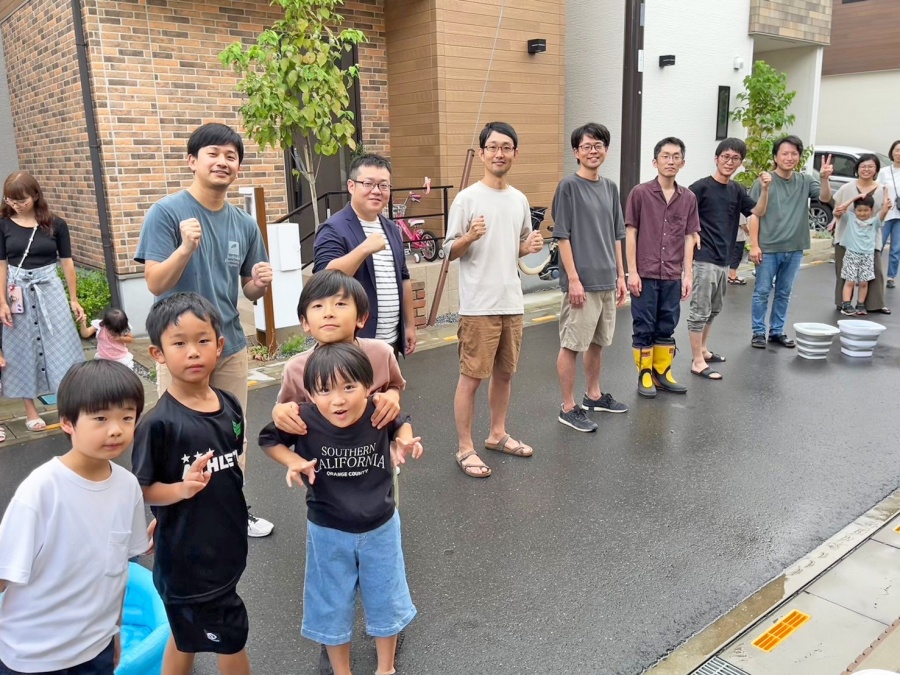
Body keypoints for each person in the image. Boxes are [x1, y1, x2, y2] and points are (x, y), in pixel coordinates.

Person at [134, 122, 275, 538]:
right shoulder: (167, 213)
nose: (222, 162)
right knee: (176, 434)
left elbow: (248, 289)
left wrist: (260, 284)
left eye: (231, 156)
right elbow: (155, 282)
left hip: (228, 346)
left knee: (232, 435)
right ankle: (172, 514)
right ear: (192, 161)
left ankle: (234, 509)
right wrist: (185, 249)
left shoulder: (244, 224)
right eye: (213, 153)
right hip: (179, 348)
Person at [271, 269, 405, 675]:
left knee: (382, 558)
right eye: (318, 306)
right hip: (328, 484)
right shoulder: (297, 367)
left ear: (361, 316)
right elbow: (286, 412)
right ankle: (333, 638)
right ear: (304, 321)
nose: (329, 313)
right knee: (333, 570)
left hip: (376, 471)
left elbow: (396, 387)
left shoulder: (379, 353)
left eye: (340, 304)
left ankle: (387, 625)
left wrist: (393, 399)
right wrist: (280, 414)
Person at [258, 343, 422, 675]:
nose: (338, 400)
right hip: (327, 529)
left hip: (381, 527)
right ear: (310, 394)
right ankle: (341, 671)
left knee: (386, 600)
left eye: (349, 387)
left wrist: (404, 439)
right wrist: (294, 460)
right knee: (331, 606)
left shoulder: (377, 410)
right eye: (325, 390)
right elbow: (269, 439)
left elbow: (401, 422)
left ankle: (386, 668)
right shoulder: (304, 418)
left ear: (368, 386)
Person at [0, 359, 150, 674]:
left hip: (95, 650)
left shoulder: (127, 488)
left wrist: (114, 630)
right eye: (100, 418)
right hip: (32, 656)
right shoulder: (42, 491)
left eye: (127, 417)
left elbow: (119, 569)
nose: (115, 429)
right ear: (67, 422)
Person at [131, 293, 252, 675]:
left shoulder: (229, 405)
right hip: (189, 561)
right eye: (179, 343)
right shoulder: (158, 424)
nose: (193, 352)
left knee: (186, 635)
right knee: (230, 637)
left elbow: (230, 467)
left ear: (219, 345)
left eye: (202, 340)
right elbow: (142, 488)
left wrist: (172, 505)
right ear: (158, 354)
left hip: (225, 546)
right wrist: (177, 493)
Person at [443, 121, 544, 478]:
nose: (499, 153)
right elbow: (448, 251)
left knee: (504, 374)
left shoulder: (519, 199)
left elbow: (517, 246)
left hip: (511, 302)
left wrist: (528, 246)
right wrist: (469, 236)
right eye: (493, 147)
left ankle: (497, 434)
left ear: (515, 153)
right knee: (471, 377)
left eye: (506, 147)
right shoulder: (467, 198)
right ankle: (465, 448)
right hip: (479, 306)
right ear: (483, 153)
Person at [552, 122, 628, 433]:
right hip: (581, 283)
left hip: (607, 280)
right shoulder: (569, 186)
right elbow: (562, 235)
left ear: (606, 150)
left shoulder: (610, 187)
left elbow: (617, 234)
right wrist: (573, 279)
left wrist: (621, 276)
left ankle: (593, 396)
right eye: (586, 146)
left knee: (598, 343)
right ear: (576, 152)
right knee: (572, 344)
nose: (593, 151)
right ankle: (568, 407)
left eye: (598, 145)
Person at [0, 171, 85, 430]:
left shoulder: (56, 224)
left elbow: (67, 262)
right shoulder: (3, 225)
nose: (16, 205)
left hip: (50, 290)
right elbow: (1, 265)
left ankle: (67, 409)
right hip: (17, 292)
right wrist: (2, 302)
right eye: (11, 200)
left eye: (22, 200)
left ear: (35, 195)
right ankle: (30, 412)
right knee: (21, 350)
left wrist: (73, 299)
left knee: (63, 345)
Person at [314, 154, 417, 357]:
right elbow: (323, 280)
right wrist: (364, 249)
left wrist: (409, 325)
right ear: (351, 186)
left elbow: (404, 278)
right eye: (368, 183)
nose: (376, 191)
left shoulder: (391, 228)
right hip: (351, 344)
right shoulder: (333, 228)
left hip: (391, 341)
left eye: (383, 185)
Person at [687, 138, 770, 380]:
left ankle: (704, 349)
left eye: (735, 158)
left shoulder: (737, 190)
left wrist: (765, 190)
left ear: (740, 163)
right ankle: (697, 361)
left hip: (724, 259)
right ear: (716, 158)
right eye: (725, 157)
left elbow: (758, 211)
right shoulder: (700, 188)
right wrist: (691, 238)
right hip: (703, 258)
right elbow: (682, 216)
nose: (729, 162)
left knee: (713, 309)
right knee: (699, 311)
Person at [625, 137, 700, 398]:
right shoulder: (640, 193)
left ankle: (662, 372)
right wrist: (632, 272)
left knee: (667, 324)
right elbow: (631, 232)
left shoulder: (688, 198)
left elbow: (689, 237)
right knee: (643, 324)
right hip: (645, 273)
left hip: (671, 274)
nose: (670, 161)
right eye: (665, 156)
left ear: (682, 163)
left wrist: (687, 275)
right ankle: (645, 374)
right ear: (655, 162)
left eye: (676, 156)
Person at [749, 136, 833, 348]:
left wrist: (824, 178)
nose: (789, 157)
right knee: (762, 292)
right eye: (784, 153)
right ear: (775, 157)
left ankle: (777, 331)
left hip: (795, 248)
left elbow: (825, 198)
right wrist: (754, 245)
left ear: (799, 157)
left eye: (794, 153)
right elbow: (754, 215)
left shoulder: (805, 181)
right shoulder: (765, 181)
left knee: (784, 293)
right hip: (768, 248)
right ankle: (758, 332)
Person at [831, 153, 892, 315]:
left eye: (871, 166)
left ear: (876, 170)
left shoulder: (881, 190)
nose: (866, 169)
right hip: (846, 237)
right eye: (863, 166)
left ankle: (874, 304)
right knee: (845, 273)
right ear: (857, 168)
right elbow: (837, 210)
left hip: (870, 239)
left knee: (874, 273)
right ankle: (843, 303)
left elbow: (883, 213)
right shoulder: (846, 188)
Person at [836, 192, 890, 315]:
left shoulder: (875, 222)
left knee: (864, 283)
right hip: (852, 254)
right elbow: (841, 208)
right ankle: (846, 304)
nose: (862, 213)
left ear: (871, 210)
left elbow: (884, 210)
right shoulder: (851, 218)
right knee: (849, 281)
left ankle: (860, 305)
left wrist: (886, 192)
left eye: (866, 210)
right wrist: (856, 197)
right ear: (855, 210)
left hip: (867, 256)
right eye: (859, 210)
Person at [878, 140, 900, 290]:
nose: (899, 153)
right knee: (878, 246)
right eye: (897, 150)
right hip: (885, 214)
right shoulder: (884, 172)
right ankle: (873, 273)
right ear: (892, 152)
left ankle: (891, 277)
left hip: (899, 216)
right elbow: (877, 189)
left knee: (896, 248)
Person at [727, 219, 750, 285]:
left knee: (734, 256)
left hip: (734, 237)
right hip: (738, 238)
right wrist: (749, 232)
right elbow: (743, 224)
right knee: (736, 256)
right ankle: (732, 277)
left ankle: (731, 275)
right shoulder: (741, 213)